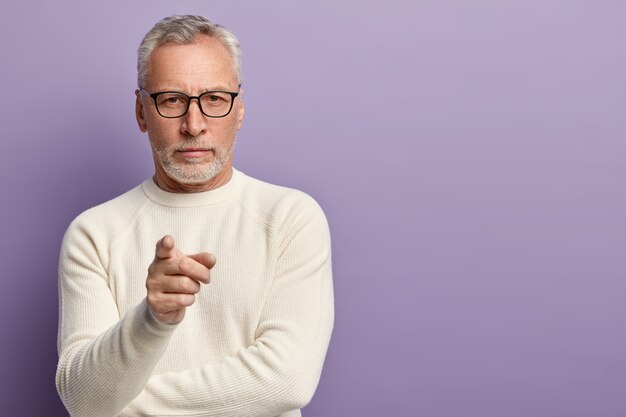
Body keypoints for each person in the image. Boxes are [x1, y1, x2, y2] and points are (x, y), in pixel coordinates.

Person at [55, 15, 334, 417]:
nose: (194, 125)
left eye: (215, 99)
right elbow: (83, 397)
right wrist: (152, 319)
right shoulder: (94, 233)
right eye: (171, 100)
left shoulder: (291, 218)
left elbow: (288, 380)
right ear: (140, 111)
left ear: (239, 111)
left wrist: (128, 405)